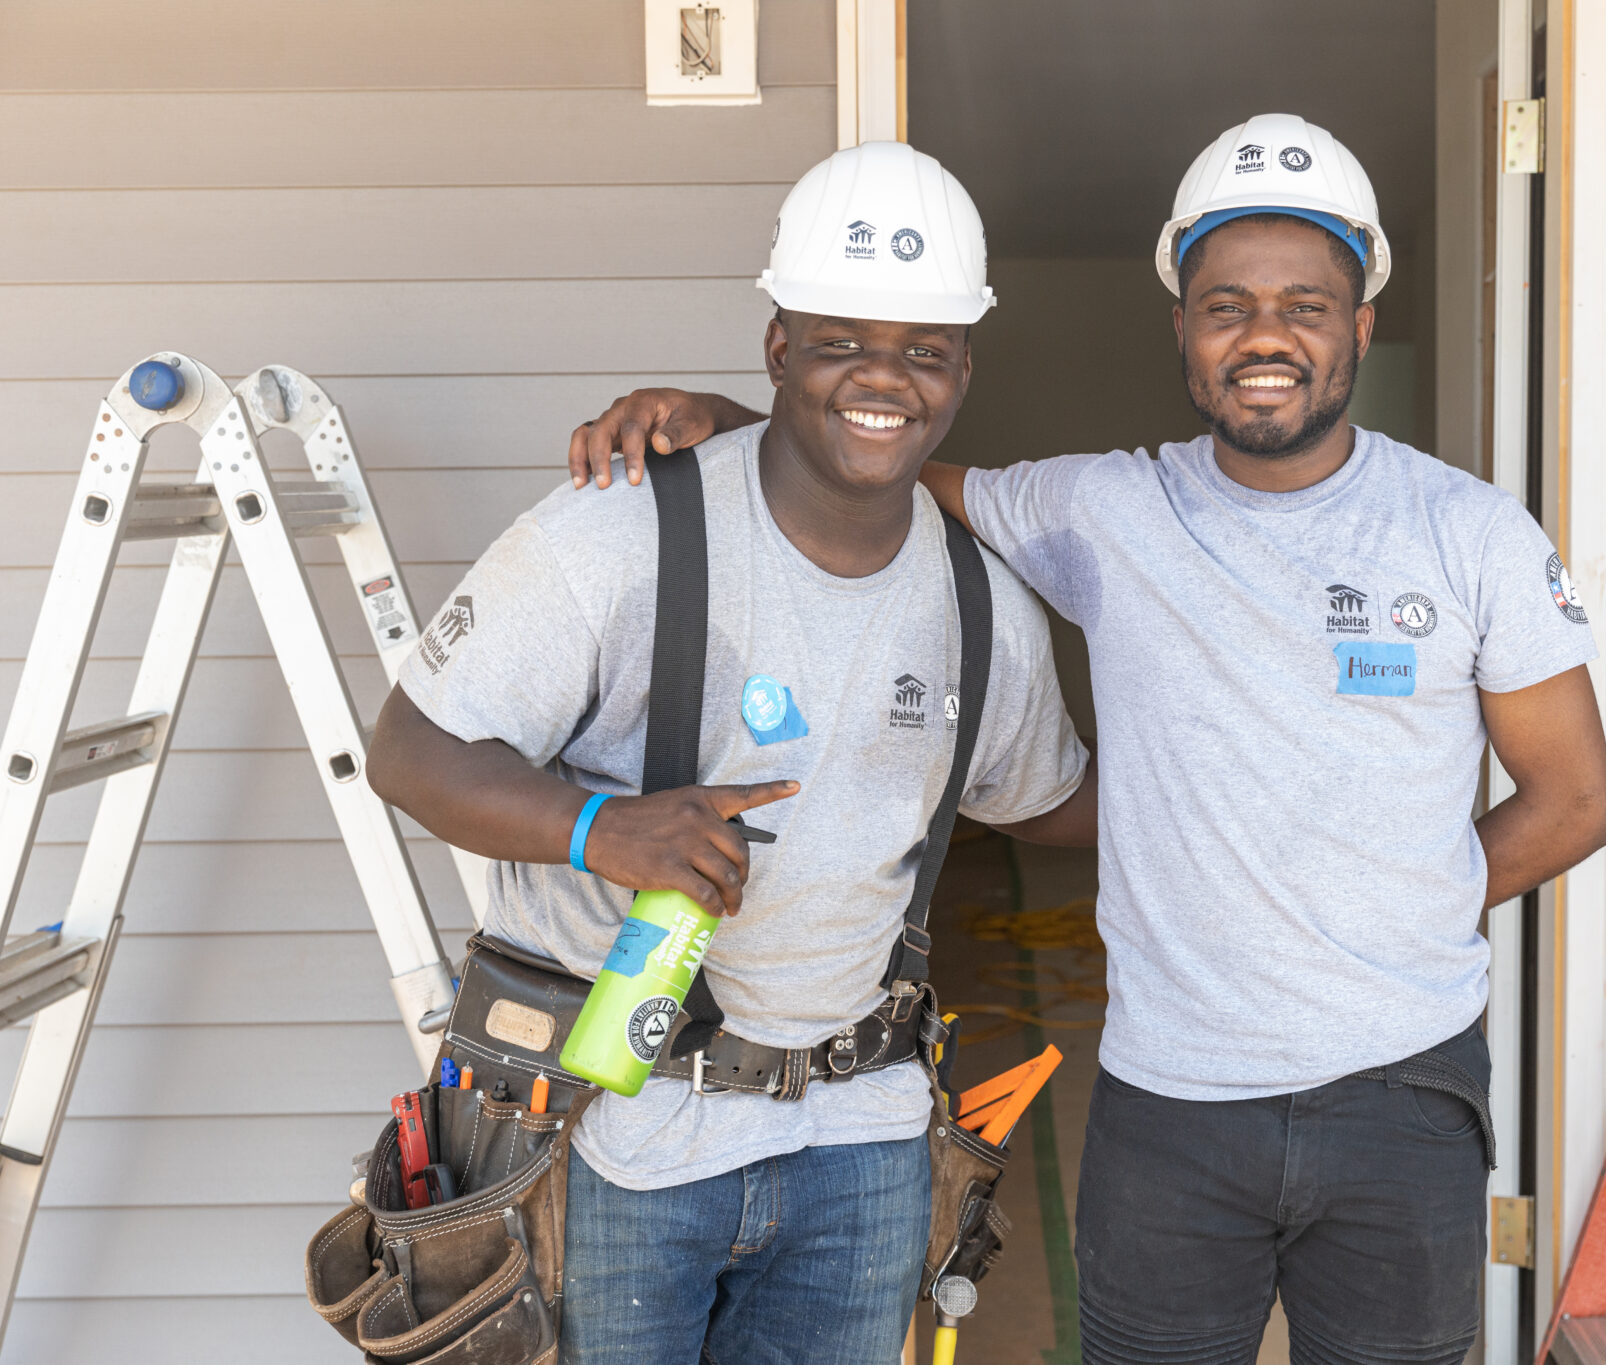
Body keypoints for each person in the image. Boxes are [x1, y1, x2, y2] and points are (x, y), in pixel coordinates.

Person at [565, 113, 1606, 1365]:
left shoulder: (1471, 534)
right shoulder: (1104, 507)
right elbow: (881, 463)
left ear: (1358, 325)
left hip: (1398, 1091)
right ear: (1181, 325)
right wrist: (727, 415)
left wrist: (1397, 903)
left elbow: (1573, 802)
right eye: (1226, 305)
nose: (1265, 336)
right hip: (1169, 1102)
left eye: (1306, 305)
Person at [367, 141, 1093, 1365]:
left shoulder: (979, 603)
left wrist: (1275, 759)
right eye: (840, 341)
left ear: (962, 367)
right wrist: (599, 827)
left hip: (860, 1144)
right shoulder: (618, 531)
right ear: (776, 347)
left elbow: (1055, 803)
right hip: (619, 1137)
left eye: (923, 349)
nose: (884, 379)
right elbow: (409, 752)